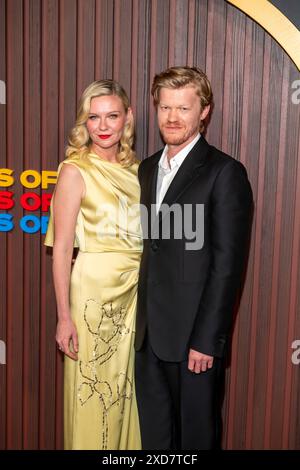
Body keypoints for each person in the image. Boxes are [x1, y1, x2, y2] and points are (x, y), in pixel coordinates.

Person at [135, 66, 253, 450]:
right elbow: (152, 250)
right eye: (165, 107)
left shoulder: (225, 173)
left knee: (195, 441)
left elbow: (227, 267)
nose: (172, 117)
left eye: (183, 108)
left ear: (204, 111)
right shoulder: (148, 168)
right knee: (156, 440)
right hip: (149, 337)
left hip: (193, 343)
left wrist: (206, 340)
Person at [44, 80, 142, 450]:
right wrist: (64, 316)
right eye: (94, 117)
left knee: (125, 391)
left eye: (111, 116)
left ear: (127, 117)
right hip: (92, 298)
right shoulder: (74, 170)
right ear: (83, 123)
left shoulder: (139, 170)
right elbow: (63, 248)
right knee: (93, 394)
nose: (102, 126)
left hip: (133, 295)